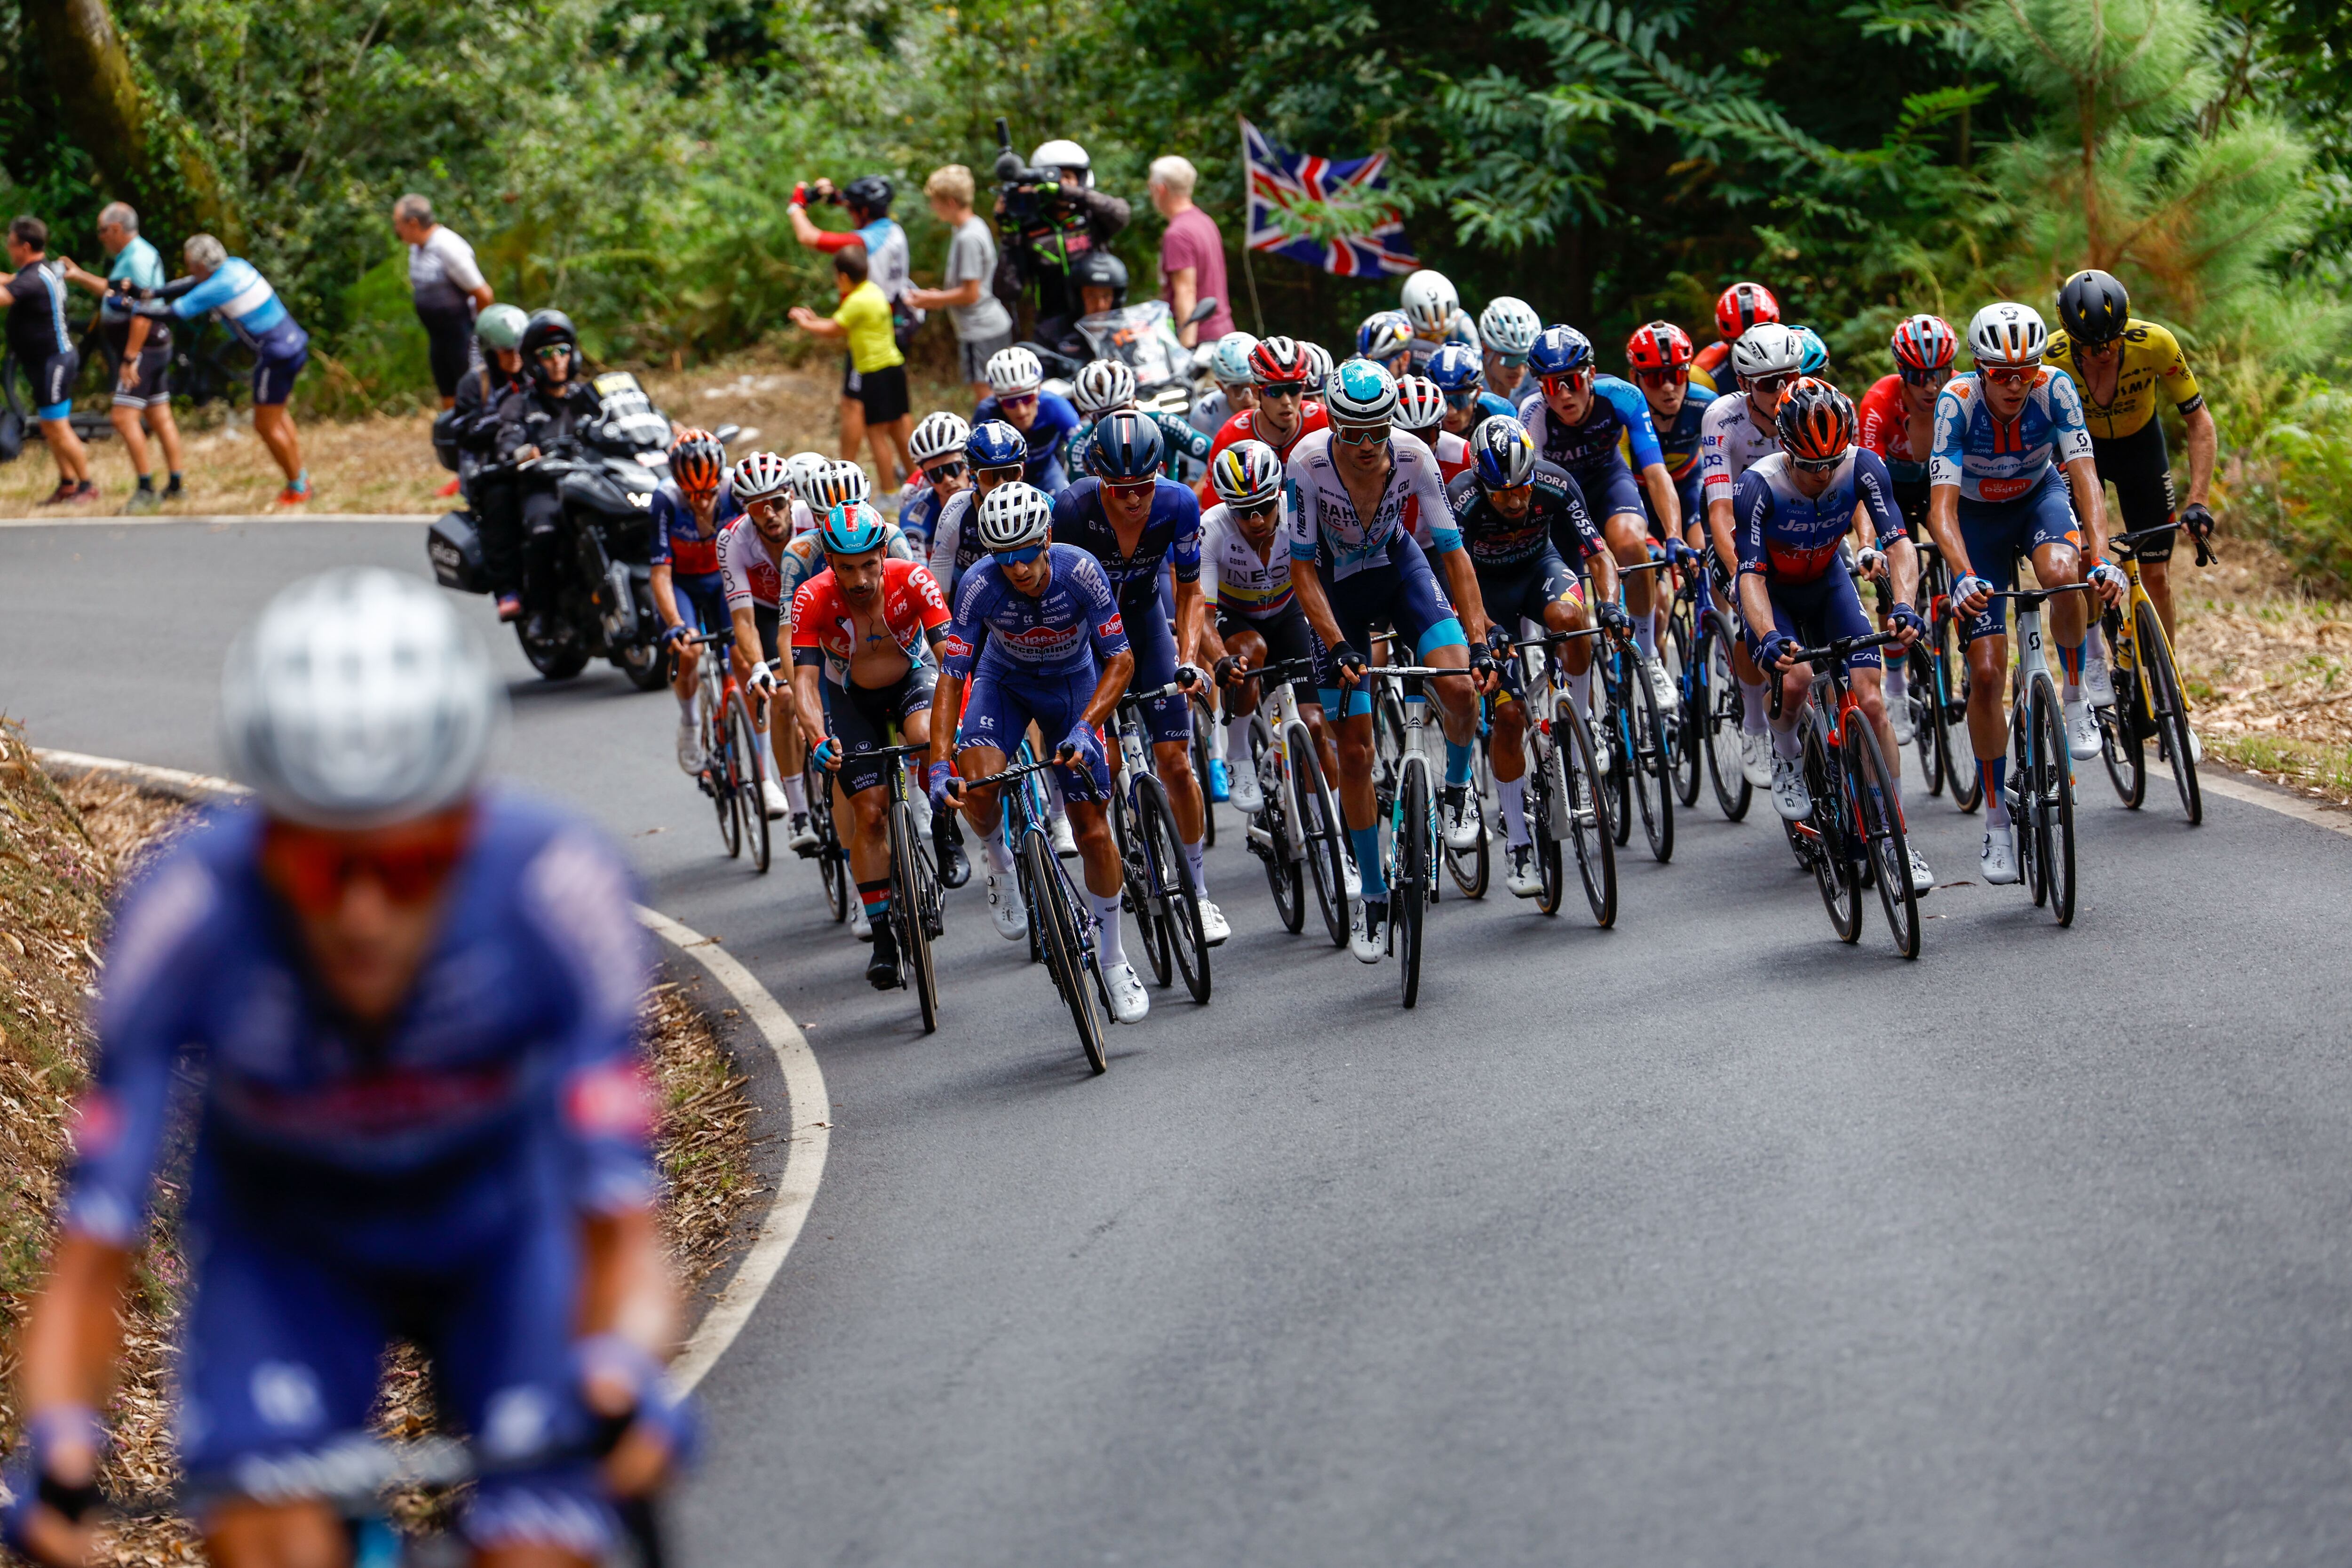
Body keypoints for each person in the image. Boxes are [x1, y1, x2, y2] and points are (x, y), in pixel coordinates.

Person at [1, 568, 689, 1568]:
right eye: (323, 866)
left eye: (409, 866)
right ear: (266, 835)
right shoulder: (188, 910)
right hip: (287, 1247)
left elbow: (622, 1220)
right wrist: (61, 1441)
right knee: (264, 1537)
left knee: (543, 1542)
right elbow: (93, 1241)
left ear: (464, 829)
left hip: (504, 1226)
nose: (363, 913)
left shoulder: (555, 887)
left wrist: (623, 1368)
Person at [1284, 357, 1493, 963]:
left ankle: (1456, 788)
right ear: (1333, 425)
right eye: (1352, 431)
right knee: (1354, 753)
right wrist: (1336, 644)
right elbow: (1301, 569)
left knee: (1460, 688)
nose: (1366, 444)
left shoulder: (1412, 455)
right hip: (1335, 591)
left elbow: (1453, 555)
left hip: (1398, 569)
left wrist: (1478, 639)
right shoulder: (1305, 463)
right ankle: (1372, 897)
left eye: (1377, 429)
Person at [928, 480, 1152, 1024]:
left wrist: (1086, 729)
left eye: (1027, 553)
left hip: (1073, 686)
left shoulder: (1081, 572)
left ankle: (1113, 957)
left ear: (1046, 539)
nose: (1017, 568)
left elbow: (1120, 661)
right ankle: (999, 859)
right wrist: (937, 764)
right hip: (1003, 684)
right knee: (978, 787)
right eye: (1004, 558)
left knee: (1092, 830)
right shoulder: (978, 586)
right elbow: (952, 678)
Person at [1926, 301, 2123, 885]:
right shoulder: (1956, 403)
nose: (2015, 385)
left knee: (2063, 573)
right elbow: (1940, 510)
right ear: (1979, 369)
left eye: (2025, 371)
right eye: (2001, 373)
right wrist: (1962, 573)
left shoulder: (2054, 389)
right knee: (1987, 674)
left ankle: (2074, 695)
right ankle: (1995, 822)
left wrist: (2100, 556)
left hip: (2038, 500)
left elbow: (2085, 478)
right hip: (1977, 522)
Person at [1735, 379, 1933, 892]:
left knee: (1872, 702)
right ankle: (1786, 753)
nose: (1822, 475)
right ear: (1786, 449)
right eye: (1809, 465)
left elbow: (1899, 543)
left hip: (1828, 582)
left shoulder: (1863, 465)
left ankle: (1896, 841)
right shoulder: (1758, 485)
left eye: (1830, 463)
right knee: (1796, 679)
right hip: (1774, 592)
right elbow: (1749, 576)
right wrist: (1767, 636)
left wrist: (1905, 604)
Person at [1052, 410, 1227, 945]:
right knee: (1100, 773)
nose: (1133, 499)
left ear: (1160, 474)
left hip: (1148, 622)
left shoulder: (1178, 503)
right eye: (1120, 488)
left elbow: (1190, 591)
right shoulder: (1073, 509)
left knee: (1175, 762)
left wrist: (1188, 658)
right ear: (1099, 479)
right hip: (1087, 638)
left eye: (1143, 486)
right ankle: (1110, 876)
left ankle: (1199, 892)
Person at [1450, 415, 1621, 897]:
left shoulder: (1554, 482)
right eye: (1502, 493)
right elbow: (1451, 576)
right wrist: (1482, 632)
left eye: (1522, 488)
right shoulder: (1461, 499)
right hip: (1485, 593)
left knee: (1572, 619)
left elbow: (1597, 553)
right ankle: (1519, 843)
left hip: (1539, 570)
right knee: (1508, 718)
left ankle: (1583, 721)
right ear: (1481, 483)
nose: (1515, 501)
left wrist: (1610, 604)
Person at [790, 501, 956, 987]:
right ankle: (883, 938)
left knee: (926, 738)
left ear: (884, 553)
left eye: (868, 565)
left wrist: (958, 719)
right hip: (850, 699)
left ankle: (944, 832)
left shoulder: (913, 578)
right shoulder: (812, 596)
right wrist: (817, 738)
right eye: (846, 568)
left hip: (911, 681)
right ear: (830, 563)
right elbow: (804, 684)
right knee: (868, 813)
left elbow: (951, 659)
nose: (860, 579)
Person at [2046, 267, 2217, 652]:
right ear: (2071, 339)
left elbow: (2199, 421)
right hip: (2080, 451)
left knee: (2155, 576)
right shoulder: (2050, 356)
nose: (2105, 352)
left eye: (2113, 340)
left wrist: (2199, 500)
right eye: (2092, 347)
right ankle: (2093, 654)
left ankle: (2166, 673)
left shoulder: (2155, 343)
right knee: (2083, 559)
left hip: (2141, 449)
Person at [1515, 325, 1682, 716]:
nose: (1563, 395)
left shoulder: (1622, 396)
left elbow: (1656, 473)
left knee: (1629, 542)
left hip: (1608, 483)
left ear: (1591, 374)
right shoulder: (1533, 414)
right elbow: (1531, 493)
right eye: (1551, 385)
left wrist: (1673, 535)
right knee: (1569, 616)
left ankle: (1648, 656)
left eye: (1572, 382)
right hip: (1559, 503)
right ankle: (1584, 722)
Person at [1197, 439, 1339, 814]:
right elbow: (1203, 617)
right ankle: (1238, 753)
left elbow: (1329, 583)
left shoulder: (1299, 515)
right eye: (1245, 512)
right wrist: (1220, 659)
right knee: (1249, 651)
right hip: (1235, 615)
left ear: (1279, 495)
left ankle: (1334, 838)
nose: (1257, 519)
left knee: (1315, 725)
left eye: (1264, 507)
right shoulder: (1211, 530)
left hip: (1287, 612)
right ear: (1229, 507)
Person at [1698, 320, 1805, 786]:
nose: (1782, 391)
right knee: (1750, 620)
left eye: (1790, 378)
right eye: (1768, 383)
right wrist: (1742, 576)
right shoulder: (1722, 419)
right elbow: (1721, 511)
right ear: (1744, 384)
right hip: (1738, 525)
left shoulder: (1810, 402)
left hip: (1795, 521)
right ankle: (1755, 725)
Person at [127, 234, 311, 502]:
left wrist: (131, 306)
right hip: (295, 343)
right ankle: (300, 477)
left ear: (201, 266)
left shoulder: (216, 287)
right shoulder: (235, 265)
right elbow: (192, 283)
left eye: (191, 265)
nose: (190, 271)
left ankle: (297, 487)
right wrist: (151, 294)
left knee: (265, 425)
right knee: (278, 416)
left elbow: (173, 314)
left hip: (275, 355)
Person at [59, 202, 182, 511]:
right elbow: (116, 292)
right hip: (154, 342)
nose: (101, 238)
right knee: (159, 414)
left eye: (102, 231)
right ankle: (176, 484)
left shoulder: (137, 258)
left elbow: (143, 311)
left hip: (143, 344)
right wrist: (80, 276)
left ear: (115, 229)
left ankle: (145, 489)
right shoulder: (134, 254)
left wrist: (129, 358)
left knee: (123, 417)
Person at [496, 309, 603, 640]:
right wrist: (522, 452)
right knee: (545, 532)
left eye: (563, 351)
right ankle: (543, 613)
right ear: (533, 360)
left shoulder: (589, 396)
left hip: (593, 481)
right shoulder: (520, 404)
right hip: (545, 487)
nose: (557, 360)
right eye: (547, 353)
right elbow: (508, 443)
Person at [651, 427, 742, 771]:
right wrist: (676, 624)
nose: (702, 502)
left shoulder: (735, 489)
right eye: (693, 494)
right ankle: (690, 723)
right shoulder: (666, 499)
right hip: (682, 584)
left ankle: (762, 773)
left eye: (709, 493)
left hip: (723, 581)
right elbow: (660, 574)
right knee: (688, 651)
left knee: (742, 654)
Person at [789, 246, 912, 491]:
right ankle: (917, 481)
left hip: (875, 373)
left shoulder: (856, 301)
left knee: (876, 434)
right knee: (899, 430)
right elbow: (843, 324)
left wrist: (805, 323)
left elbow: (833, 330)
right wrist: (815, 320)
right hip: (894, 368)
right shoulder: (873, 291)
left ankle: (889, 491)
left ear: (843, 277)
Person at [992, 137, 1131, 352]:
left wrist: (1069, 193)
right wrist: (1009, 235)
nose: (1061, 182)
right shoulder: (1029, 227)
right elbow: (1007, 291)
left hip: (1098, 320)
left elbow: (1121, 214)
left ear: (1081, 179)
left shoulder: (1091, 217)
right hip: (1052, 328)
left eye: (1067, 177)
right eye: (1054, 177)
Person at [0, 215, 94, 505]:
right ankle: (68, 485)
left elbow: (4, 296)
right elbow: (10, 280)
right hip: (46, 362)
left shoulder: (34, 278)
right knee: (51, 425)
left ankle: (88, 486)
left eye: (11, 244)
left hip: (55, 361)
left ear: (25, 247)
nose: (7, 249)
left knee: (57, 426)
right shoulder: (39, 271)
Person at [906, 165, 1015, 403]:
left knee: (989, 399)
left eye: (935, 201)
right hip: (979, 328)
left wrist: (933, 299)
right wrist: (939, 296)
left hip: (982, 330)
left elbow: (971, 294)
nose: (933, 207)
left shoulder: (968, 237)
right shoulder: (968, 228)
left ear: (951, 203)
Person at [450, 303, 531, 619]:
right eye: (507, 352)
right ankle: (507, 589)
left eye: (519, 350)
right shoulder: (476, 384)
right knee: (500, 502)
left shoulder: (536, 375)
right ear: (490, 352)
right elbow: (465, 431)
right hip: (492, 471)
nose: (515, 358)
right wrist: (508, 421)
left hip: (535, 463)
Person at [393, 193, 494, 412]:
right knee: (448, 393)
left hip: (463, 336)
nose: (396, 229)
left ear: (413, 223)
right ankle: (451, 433)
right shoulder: (416, 249)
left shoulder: (448, 247)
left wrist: (480, 335)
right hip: (438, 337)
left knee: (473, 396)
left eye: (398, 223)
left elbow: (484, 294)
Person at [1623, 320, 1715, 537]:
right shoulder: (1622, 412)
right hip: (1639, 492)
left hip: (1690, 484)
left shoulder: (1707, 404)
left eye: (1677, 376)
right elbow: (1619, 479)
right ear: (1635, 378)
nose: (1668, 387)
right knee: (1636, 546)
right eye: (1655, 379)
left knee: (1703, 545)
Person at [1204, 335, 1329, 475]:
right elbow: (1212, 489)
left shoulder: (1324, 421)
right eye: (1275, 391)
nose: (1287, 401)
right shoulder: (1232, 434)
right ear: (1255, 391)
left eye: (1295, 389)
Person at [1066, 358, 1212, 478]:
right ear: (1089, 416)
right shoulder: (1078, 448)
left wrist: (1198, 494)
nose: (1116, 422)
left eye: (1121, 410)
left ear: (1134, 401)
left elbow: (1216, 455)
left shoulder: (1165, 424)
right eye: (1103, 417)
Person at [1148, 154, 1234, 349]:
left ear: (1160, 190)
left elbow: (1186, 291)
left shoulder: (1177, 234)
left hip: (1201, 341)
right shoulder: (1205, 221)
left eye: (1151, 187)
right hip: (1223, 334)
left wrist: (1187, 348)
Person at [973, 346, 1081, 492]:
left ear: (1039, 389)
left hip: (1046, 472)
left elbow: (1082, 448)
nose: (1021, 410)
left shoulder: (1055, 405)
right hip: (1005, 479)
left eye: (1027, 398)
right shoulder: (986, 413)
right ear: (997, 399)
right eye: (1010, 402)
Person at [898, 410, 972, 551]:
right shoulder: (913, 497)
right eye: (935, 474)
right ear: (925, 477)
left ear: (968, 463)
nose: (947, 479)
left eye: (953, 469)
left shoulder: (990, 484)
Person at [1693, 280, 1779, 386]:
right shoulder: (1704, 371)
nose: (1752, 355)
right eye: (1742, 346)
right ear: (1725, 339)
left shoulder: (1798, 347)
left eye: (1761, 343)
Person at [1425, 342, 1514, 438]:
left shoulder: (1502, 414)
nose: (1451, 412)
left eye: (1460, 400)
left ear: (1478, 394)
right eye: (1442, 400)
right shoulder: (1418, 417)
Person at [1395, 373, 1470, 486]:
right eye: (1409, 439)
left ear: (1439, 428)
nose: (1419, 448)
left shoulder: (1464, 456)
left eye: (1426, 436)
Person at [1399, 270, 1477, 371]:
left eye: (1443, 333)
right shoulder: (1399, 323)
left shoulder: (1462, 324)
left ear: (1455, 318)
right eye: (1427, 336)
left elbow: (1478, 367)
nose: (1437, 343)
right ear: (1410, 320)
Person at [1191, 331, 1260, 437]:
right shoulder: (1203, 417)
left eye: (1253, 386)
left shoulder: (1278, 406)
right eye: (1236, 387)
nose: (1247, 398)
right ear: (1221, 387)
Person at [1478, 296, 1541, 408]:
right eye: (1510, 359)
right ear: (1486, 350)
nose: (1519, 370)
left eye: (1526, 358)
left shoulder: (1538, 375)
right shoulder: (1468, 374)